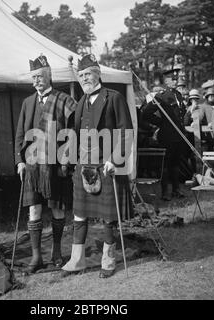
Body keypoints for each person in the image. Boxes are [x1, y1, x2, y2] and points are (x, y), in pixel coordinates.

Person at [61, 54, 133, 278]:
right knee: (79, 214)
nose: (84, 78)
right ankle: (77, 259)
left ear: (98, 73)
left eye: (88, 74)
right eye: (81, 75)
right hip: (84, 164)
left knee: (107, 216)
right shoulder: (81, 101)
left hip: (106, 165)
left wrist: (115, 159)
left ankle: (108, 260)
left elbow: (126, 132)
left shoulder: (114, 97)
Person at [14, 54, 77, 273]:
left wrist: (67, 160)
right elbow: (20, 134)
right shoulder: (28, 102)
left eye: (40, 76)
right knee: (34, 209)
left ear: (49, 76)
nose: (36, 81)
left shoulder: (64, 99)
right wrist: (19, 161)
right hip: (32, 165)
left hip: (56, 165)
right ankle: (36, 257)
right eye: (33, 78)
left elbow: (74, 132)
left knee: (57, 210)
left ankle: (57, 252)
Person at [141, 64, 186, 201]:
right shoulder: (161, 96)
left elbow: (180, 115)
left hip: (179, 135)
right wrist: (161, 123)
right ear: (166, 81)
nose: (175, 81)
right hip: (167, 136)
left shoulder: (178, 95)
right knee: (166, 164)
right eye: (172, 79)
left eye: (176, 79)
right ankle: (165, 192)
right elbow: (146, 113)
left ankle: (176, 190)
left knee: (176, 164)